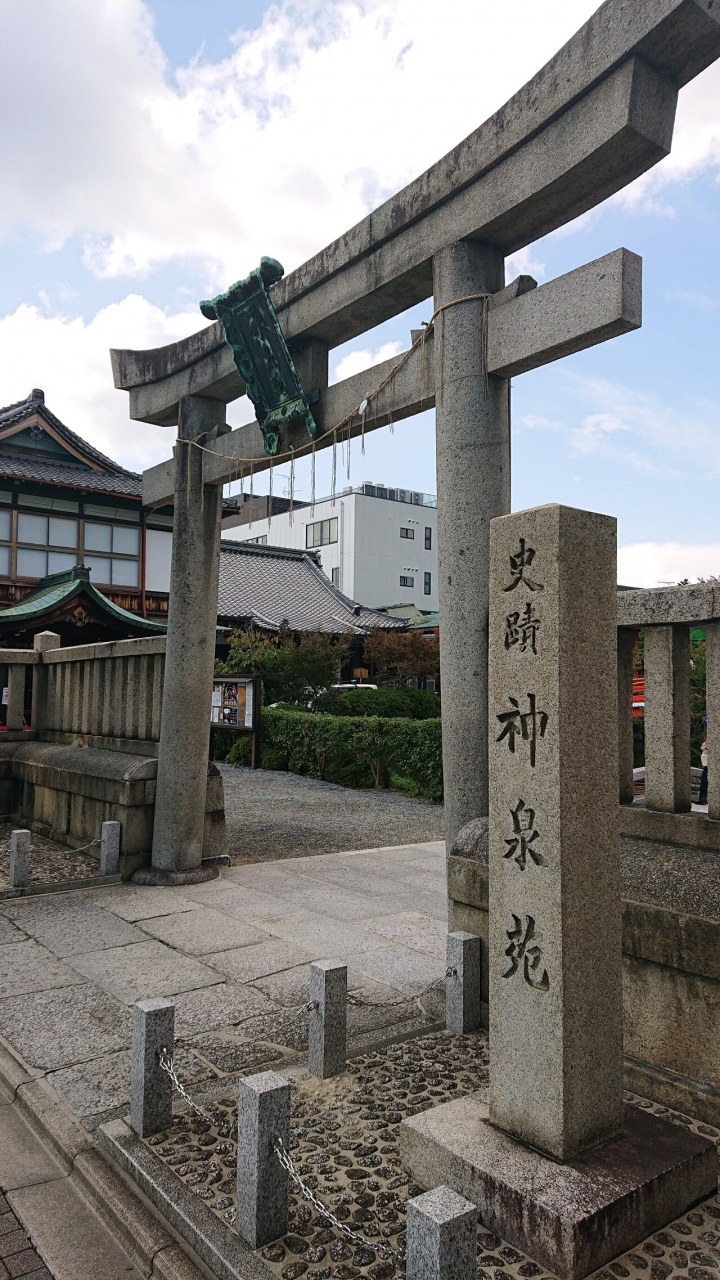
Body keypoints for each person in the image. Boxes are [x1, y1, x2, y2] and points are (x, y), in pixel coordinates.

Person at [699, 738, 708, 806]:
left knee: (704, 782)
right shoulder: (705, 744)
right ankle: (702, 798)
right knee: (704, 782)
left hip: (708, 765)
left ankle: (703, 798)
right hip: (705, 765)